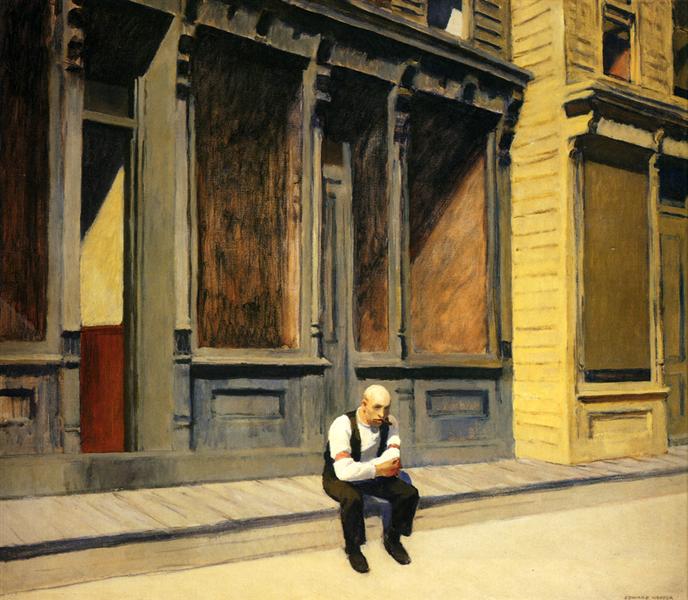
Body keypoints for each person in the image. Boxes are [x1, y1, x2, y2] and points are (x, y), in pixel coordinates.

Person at [322, 384, 419, 573]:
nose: (382, 414)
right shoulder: (342, 425)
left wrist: (377, 469)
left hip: (374, 473)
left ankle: (393, 539)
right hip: (339, 477)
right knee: (352, 498)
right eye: (377, 407)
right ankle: (354, 548)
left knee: (409, 493)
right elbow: (344, 471)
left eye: (386, 408)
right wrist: (377, 468)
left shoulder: (390, 422)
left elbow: (393, 456)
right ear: (364, 404)